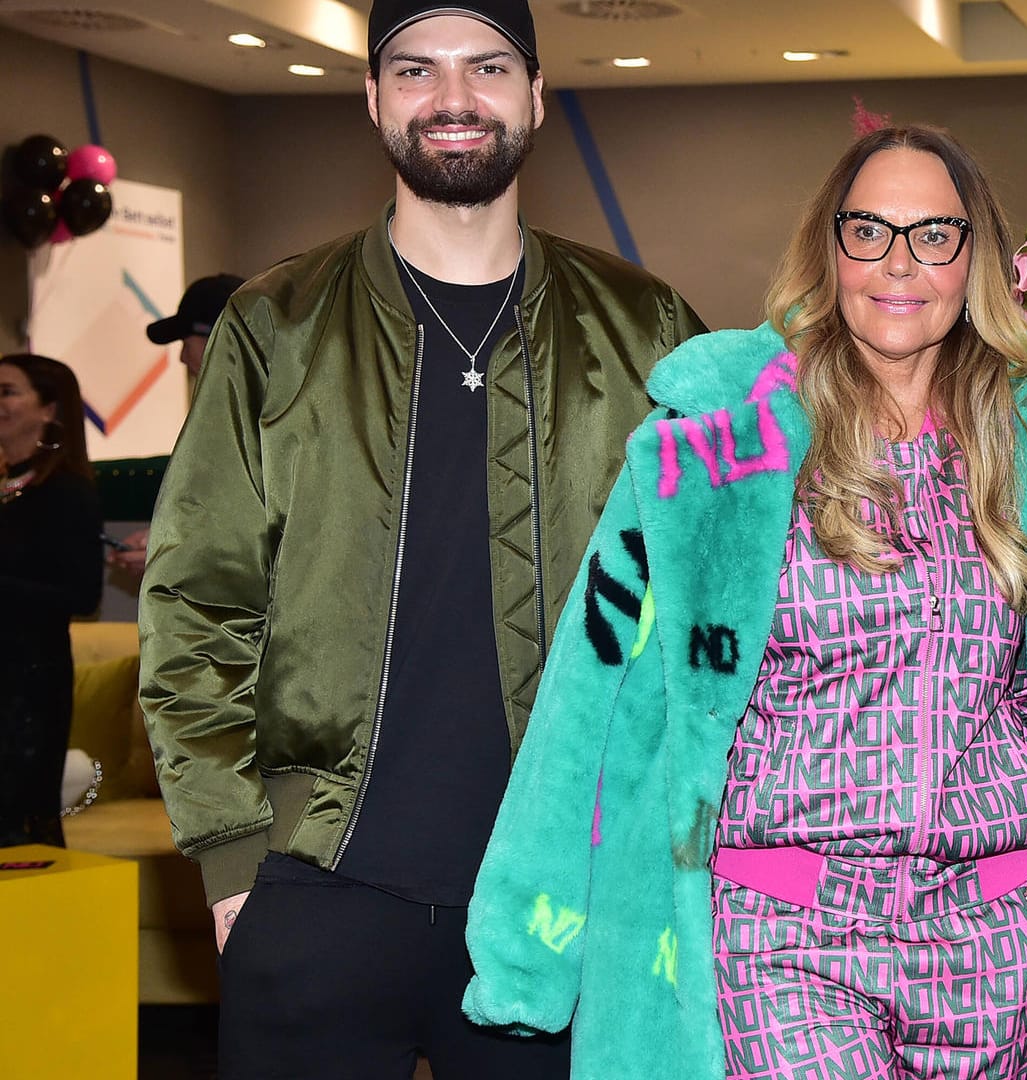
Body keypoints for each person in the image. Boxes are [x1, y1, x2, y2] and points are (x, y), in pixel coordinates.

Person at [462, 124, 1027, 1080]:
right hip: (784, 938)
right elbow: (592, 686)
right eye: (870, 230)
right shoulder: (717, 447)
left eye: (934, 234)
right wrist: (527, 940)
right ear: (829, 247)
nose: (900, 263)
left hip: (998, 951)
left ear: (974, 257)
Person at [136, 0, 703, 1074]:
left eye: (487, 66)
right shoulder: (276, 326)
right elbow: (195, 603)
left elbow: (714, 600)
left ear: (536, 94)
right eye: (415, 70)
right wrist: (231, 861)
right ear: (374, 99)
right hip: (316, 891)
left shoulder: (648, 328)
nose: (453, 98)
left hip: (562, 902)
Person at [0, 354, 102, 848]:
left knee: (23, 830)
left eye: (7, 391)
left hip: (29, 687)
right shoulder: (7, 487)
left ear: (50, 409)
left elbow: (83, 595)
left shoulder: (67, 492)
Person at [106, 272, 249, 577]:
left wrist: (174, 551)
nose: (183, 358)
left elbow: (259, 527)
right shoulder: (241, 413)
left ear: (218, 338)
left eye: (187, 342)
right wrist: (165, 542)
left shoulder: (261, 418)